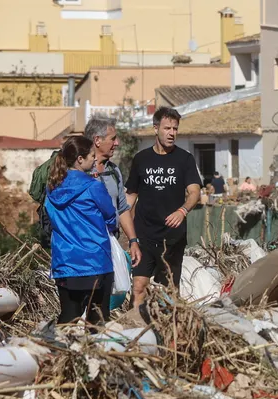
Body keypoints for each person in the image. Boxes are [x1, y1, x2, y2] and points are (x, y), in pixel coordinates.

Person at [124, 107, 201, 305]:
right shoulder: (141, 159)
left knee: (169, 292)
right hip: (144, 236)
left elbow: (194, 192)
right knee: (139, 285)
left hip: (172, 239)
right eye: (167, 128)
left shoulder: (185, 159)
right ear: (155, 128)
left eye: (175, 129)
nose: (172, 133)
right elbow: (131, 196)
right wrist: (120, 221)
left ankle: (168, 331)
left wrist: (182, 211)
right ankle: (136, 327)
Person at [45, 136, 118, 325]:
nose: (95, 159)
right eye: (92, 155)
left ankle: (59, 352)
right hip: (95, 261)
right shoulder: (94, 186)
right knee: (97, 322)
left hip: (65, 263)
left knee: (68, 318)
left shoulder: (52, 187)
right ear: (79, 159)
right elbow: (110, 216)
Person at [83, 117, 140, 268]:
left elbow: (122, 209)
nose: (117, 143)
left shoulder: (114, 171)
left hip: (111, 244)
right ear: (97, 140)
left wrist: (133, 241)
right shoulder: (80, 171)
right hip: (85, 248)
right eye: (113, 139)